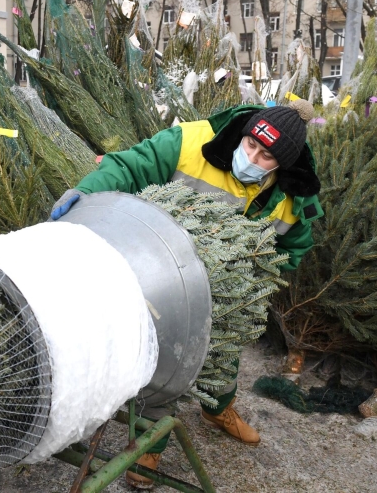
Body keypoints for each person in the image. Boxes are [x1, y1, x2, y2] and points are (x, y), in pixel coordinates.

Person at [50, 100, 323, 489]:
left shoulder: (295, 200)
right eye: (249, 145)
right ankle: (151, 437)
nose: (251, 157)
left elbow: (295, 248)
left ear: (283, 166)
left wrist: (254, 276)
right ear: (244, 134)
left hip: (226, 292)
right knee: (166, 357)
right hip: (160, 270)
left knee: (224, 352)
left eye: (265, 157)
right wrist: (85, 190)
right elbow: (129, 165)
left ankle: (218, 408)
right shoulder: (191, 143)